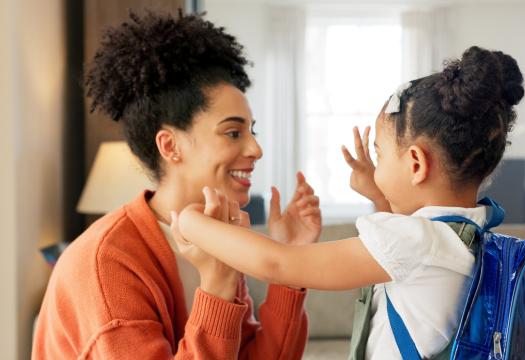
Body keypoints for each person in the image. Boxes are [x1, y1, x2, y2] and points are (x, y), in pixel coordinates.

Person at [171, 46, 525, 359]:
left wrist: (191, 221)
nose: (376, 166)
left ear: (416, 164)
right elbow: (410, 260)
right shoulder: (468, 234)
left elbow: (275, 264)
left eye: (381, 154)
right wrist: (378, 193)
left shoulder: (415, 243)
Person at [32, 11, 321, 359]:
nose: (256, 149)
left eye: (252, 131)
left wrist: (289, 262)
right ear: (170, 146)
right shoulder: (107, 263)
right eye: (233, 132)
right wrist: (216, 287)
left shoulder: (215, 234)